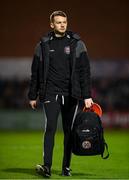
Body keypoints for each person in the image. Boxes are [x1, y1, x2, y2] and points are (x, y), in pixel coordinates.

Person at [28, 10, 93, 177]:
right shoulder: (42, 45)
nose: (62, 24)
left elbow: (85, 71)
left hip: (71, 93)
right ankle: (47, 166)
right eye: (58, 22)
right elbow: (35, 72)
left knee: (68, 131)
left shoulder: (78, 44)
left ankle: (66, 167)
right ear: (52, 25)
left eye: (64, 22)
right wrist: (32, 95)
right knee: (50, 128)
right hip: (50, 93)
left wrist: (87, 95)